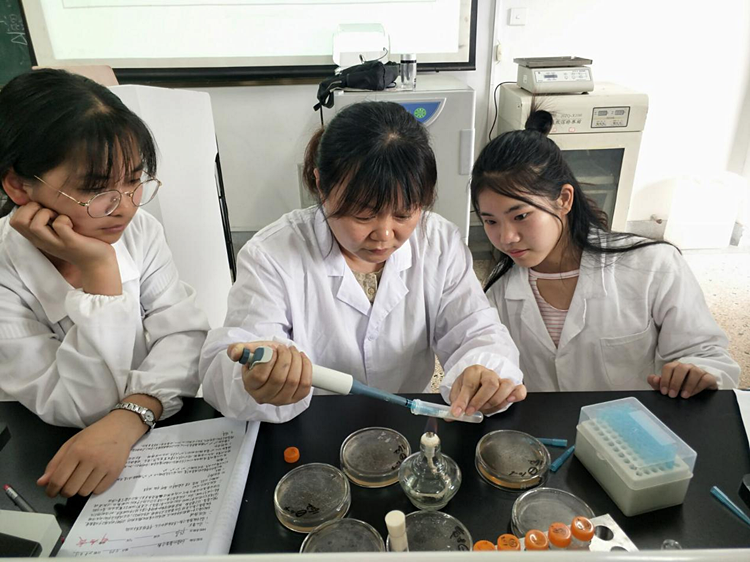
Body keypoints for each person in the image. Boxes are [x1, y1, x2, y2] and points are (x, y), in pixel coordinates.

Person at [200, 101, 525, 423]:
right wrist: (256, 381)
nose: (384, 235)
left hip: (406, 418)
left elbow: (475, 329)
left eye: (403, 214)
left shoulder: (439, 243)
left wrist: (484, 372)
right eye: (363, 215)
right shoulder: (272, 255)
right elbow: (229, 366)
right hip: (312, 421)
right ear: (321, 185)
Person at [0, 69, 210, 497]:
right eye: (96, 190)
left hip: (145, 438)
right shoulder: (6, 273)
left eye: (134, 180)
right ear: (19, 185)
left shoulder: (140, 231)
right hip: (55, 455)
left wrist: (132, 415)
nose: (125, 207)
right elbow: (83, 406)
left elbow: (185, 337)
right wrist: (99, 271)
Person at [471, 109, 739, 396]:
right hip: (547, 425)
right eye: (491, 221)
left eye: (521, 216)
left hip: (635, 423)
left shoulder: (653, 266)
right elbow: (494, 365)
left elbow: (707, 355)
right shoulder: (498, 294)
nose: (506, 237)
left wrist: (697, 372)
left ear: (564, 199)